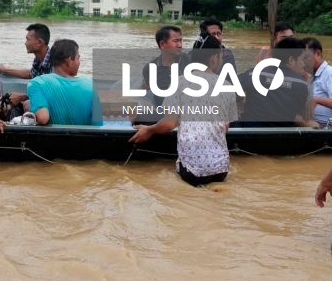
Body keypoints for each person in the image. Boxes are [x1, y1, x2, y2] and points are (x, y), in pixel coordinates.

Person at [130, 36, 239, 187]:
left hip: (191, 172)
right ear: (214, 58)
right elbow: (225, 126)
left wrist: (149, 129)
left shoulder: (180, 82)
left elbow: (169, 124)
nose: (221, 60)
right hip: (221, 170)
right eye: (221, 56)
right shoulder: (227, 86)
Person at [236, 37, 316, 127]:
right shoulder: (304, 86)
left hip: (247, 136)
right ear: (291, 60)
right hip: (282, 137)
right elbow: (305, 117)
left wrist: (241, 101)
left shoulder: (253, 74)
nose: (303, 64)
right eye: (302, 59)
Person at [27, 39, 103, 126]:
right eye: (78, 58)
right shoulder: (90, 84)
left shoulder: (36, 83)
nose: (79, 63)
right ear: (69, 60)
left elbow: (43, 118)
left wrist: (30, 108)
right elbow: (98, 125)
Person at [141, 25, 190, 107]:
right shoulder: (150, 68)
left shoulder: (189, 61)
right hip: (163, 113)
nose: (180, 45)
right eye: (176, 41)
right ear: (162, 44)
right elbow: (144, 88)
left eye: (181, 41)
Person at [304, 38, 332, 126]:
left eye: (306, 57)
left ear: (318, 54)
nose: (303, 62)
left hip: (325, 127)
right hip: (314, 124)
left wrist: (316, 100)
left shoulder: (329, 73)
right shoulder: (312, 75)